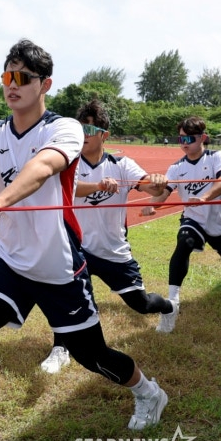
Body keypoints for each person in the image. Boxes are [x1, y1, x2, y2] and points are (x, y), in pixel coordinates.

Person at [0, 39, 168, 441]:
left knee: (92, 355)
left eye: (22, 77)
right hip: (9, 259)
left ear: (45, 84)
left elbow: (43, 167)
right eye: (6, 76)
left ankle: (148, 393)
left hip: (58, 263)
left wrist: (0, 200)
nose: (11, 85)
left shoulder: (64, 128)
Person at [40, 99, 174, 373]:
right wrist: (98, 186)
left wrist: (158, 183)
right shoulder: (68, 164)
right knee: (67, 300)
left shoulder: (121, 164)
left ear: (104, 135)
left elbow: (150, 188)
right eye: (81, 129)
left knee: (142, 304)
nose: (84, 135)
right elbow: (72, 187)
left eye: (90, 130)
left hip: (114, 251)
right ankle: (60, 349)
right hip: (77, 249)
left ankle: (168, 307)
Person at [141, 116, 221, 334]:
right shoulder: (176, 168)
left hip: (219, 222)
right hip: (193, 218)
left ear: (203, 137)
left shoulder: (217, 157)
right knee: (184, 242)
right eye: (181, 138)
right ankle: (173, 303)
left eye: (189, 138)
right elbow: (164, 193)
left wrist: (204, 197)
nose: (184, 143)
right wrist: (152, 204)